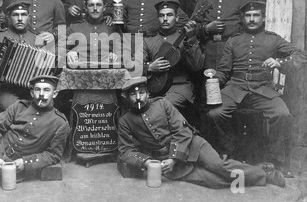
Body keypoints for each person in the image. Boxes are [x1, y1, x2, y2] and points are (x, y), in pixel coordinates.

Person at [117, 76, 286, 189]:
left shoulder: (162, 104)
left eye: (142, 92)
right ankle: (255, 170)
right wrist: (146, 162)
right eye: (133, 94)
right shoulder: (125, 120)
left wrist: (173, 158)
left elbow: (182, 131)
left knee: (219, 166)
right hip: (166, 163)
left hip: (192, 145)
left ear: (148, 93)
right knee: (215, 182)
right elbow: (126, 151)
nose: (138, 97)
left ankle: (265, 174)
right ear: (127, 97)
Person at [206, 1, 306, 176]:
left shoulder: (273, 39)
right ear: (243, 19)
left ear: (264, 18)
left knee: (281, 113)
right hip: (235, 87)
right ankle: (227, 150)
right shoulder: (234, 40)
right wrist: (213, 80)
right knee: (215, 113)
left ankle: (276, 161)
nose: (252, 19)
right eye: (248, 16)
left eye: (256, 15)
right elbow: (223, 71)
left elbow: (301, 55)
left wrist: (279, 62)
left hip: (262, 89)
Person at [0, 1, 46, 113]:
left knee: (43, 110)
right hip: (2, 88)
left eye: (23, 15)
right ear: (8, 17)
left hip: (29, 89)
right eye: (16, 15)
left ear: (28, 17)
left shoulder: (37, 39)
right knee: (17, 111)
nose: (20, 18)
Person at [142, 0, 204, 110]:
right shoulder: (148, 40)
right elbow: (136, 67)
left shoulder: (185, 38)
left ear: (177, 18)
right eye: (162, 15)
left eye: (169, 15)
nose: (165, 19)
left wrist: (191, 39)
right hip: (155, 87)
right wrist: (150, 67)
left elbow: (196, 66)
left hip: (179, 86)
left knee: (162, 107)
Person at [191, 0, 249, 71]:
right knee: (208, 84)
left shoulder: (241, 0)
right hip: (208, 52)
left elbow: (248, 29)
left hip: (233, 51)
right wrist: (207, 28)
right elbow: (191, 28)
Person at [59, 0, 122, 67]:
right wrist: (68, 53)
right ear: (85, 8)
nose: (95, 8)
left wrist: (115, 54)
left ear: (104, 8)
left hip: (107, 70)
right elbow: (58, 47)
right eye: (91, 5)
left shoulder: (112, 27)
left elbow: (125, 50)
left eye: (98, 5)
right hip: (80, 71)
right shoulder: (75, 27)